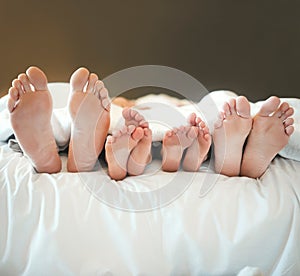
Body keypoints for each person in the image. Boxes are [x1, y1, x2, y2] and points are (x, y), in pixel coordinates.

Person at [6, 66, 294, 180]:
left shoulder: (120, 106)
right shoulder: (172, 105)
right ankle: (239, 157)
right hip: (180, 120)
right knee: (218, 105)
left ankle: (60, 149)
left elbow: (119, 106)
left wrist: (119, 104)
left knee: (113, 122)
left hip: (135, 122)